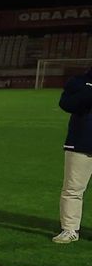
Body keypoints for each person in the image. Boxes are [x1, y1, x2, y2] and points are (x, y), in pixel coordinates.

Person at [54, 65, 91, 243]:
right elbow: (66, 104)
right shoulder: (79, 82)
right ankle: (69, 229)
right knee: (73, 189)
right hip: (81, 142)